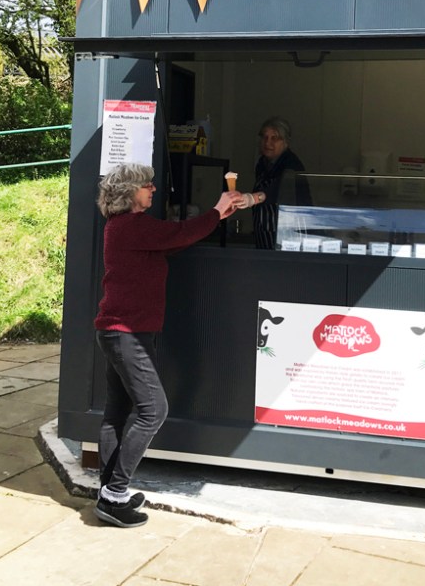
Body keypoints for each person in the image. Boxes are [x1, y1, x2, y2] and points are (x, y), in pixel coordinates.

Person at [93, 162, 240, 528]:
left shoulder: (125, 229)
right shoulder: (132, 226)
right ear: (130, 193)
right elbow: (179, 233)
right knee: (152, 411)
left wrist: (213, 217)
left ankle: (110, 489)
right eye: (147, 185)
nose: (153, 189)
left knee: (117, 412)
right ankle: (115, 495)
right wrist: (217, 211)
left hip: (118, 332)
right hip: (127, 334)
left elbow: (172, 241)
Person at [235, 116, 306, 249]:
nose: (267, 143)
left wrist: (253, 198)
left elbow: (278, 189)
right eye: (265, 137)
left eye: (274, 138)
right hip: (262, 235)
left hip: (287, 236)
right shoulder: (262, 164)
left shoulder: (292, 164)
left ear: (285, 142)